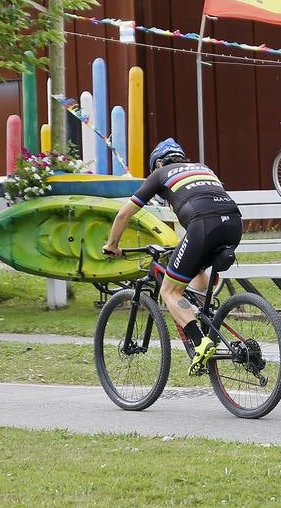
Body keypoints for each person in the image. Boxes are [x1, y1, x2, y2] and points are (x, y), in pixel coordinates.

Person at [101, 138, 242, 374]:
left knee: (169, 290)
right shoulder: (203, 168)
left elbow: (124, 214)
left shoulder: (159, 175)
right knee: (194, 269)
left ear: (157, 164)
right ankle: (204, 315)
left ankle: (200, 342)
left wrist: (112, 244)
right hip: (234, 223)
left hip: (202, 226)